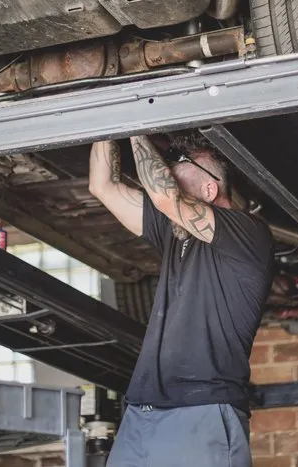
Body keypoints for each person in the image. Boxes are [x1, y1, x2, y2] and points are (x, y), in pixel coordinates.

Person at [88, 135, 275, 467]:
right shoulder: (174, 233)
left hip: (202, 410)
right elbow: (102, 186)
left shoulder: (248, 234)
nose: (165, 179)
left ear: (209, 189)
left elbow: (164, 197)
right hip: (141, 412)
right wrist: (109, 122)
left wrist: (135, 126)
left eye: (177, 177)